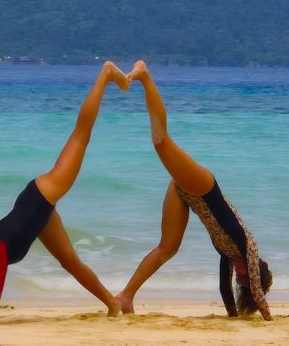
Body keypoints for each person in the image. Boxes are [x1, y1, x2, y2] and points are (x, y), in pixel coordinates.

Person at [0, 61, 128, 322]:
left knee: (81, 134)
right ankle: (112, 304)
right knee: (70, 263)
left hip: (44, 193)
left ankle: (106, 73)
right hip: (37, 215)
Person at [117, 61, 273, 320]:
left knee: (167, 248)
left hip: (186, 196)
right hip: (205, 187)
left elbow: (224, 288)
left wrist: (233, 317)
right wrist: (269, 319)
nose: (239, 275)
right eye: (245, 276)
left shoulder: (228, 254)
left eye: (241, 280)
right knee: (162, 143)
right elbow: (257, 292)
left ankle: (126, 295)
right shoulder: (249, 247)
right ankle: (144, 75)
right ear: (254, 269)